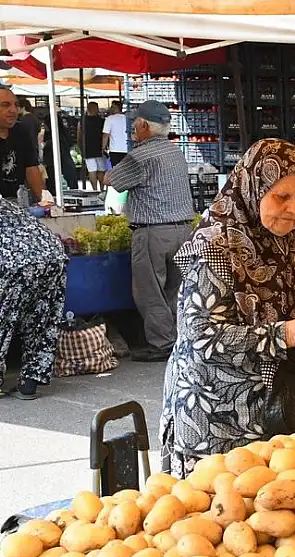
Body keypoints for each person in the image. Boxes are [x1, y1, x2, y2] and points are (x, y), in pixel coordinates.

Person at [160, 139, 295, 477]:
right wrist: (285, 334)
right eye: (281, 197)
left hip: (292, 415)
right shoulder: (213, 248)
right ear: (252, 189)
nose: (294, 209)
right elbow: (202, 339)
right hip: (219, 423)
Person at [105, 101, 194, 362]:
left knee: (150, 292)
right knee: (176, 290)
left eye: (135, 124)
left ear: (144, 125)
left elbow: (112, 181)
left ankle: (163, 345)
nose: (133, 129)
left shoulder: (141, 155)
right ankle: (179, 341)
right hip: (183, 231)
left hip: (153, 233)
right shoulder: (176, 152)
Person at [0, 197, 67, 400]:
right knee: (42, 319)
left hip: (16, 261)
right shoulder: (7, 205)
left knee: (2, 319)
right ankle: (30, 381)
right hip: (53, 255)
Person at [0, 87, 44, 201]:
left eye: (15, 105)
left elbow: (32, 169)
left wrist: (46, 202)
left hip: (17, 205)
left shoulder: (20, 131)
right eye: (5, 105)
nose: (13, 110)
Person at [43, 114, 79, 193]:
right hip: (69, 168)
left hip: (56, 173)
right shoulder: (64, 135)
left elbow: (47, 163)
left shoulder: (50, 143)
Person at [79, 101, 107, 190]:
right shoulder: (102, 121)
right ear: (97, 109)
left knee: (92, 170)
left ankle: (94, 190)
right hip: (100, 148)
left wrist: (80, 146)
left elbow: (78, 135)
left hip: (87, 148)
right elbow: (105, 134)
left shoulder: (82, 121)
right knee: (101, 170)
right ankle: (102, 190)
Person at [102, 100, 129, 167]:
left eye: (112, 107)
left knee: (116, 171)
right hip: (127, 149)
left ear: (116, 107)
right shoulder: (128, 118)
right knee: (127, 171)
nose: (110, 109)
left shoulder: (109, 119)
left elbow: (105, 135)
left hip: (115, 150)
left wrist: (103, 147)